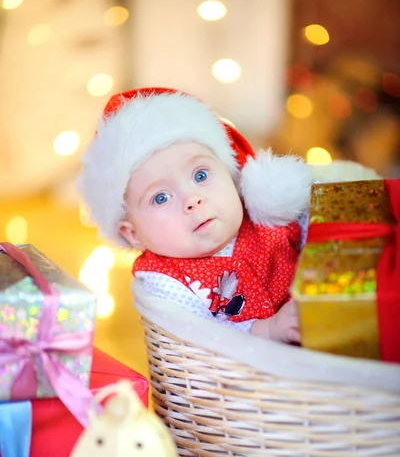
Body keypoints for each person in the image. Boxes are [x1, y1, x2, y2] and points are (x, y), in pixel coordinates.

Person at [79, 87, 312, 343]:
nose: (192, 200)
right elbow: (201, 340)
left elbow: (322, 236)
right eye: (161, 197)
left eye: (201, 175)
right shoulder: (167, 282)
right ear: (134, 234)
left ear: (231, 176)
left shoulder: (268, 213)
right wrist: (268, 329)